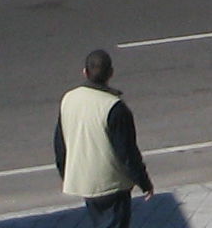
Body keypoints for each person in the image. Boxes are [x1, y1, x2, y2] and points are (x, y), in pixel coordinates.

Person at [53, 49, 153, 227]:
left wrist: (66, 173)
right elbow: (127, 152)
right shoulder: (114, 107)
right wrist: (143, 182)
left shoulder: (69, 99)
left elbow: (60, 144)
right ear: (111, 73)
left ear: (85, 72)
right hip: (111, 183)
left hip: (84, 180)